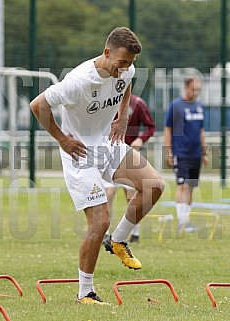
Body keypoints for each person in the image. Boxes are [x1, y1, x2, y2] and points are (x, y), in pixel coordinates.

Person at [30, 27, 165, 305]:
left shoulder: (127, 70)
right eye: (122, 63)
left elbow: (127, 84)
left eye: (130, 63)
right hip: (79, 153)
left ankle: (118, 241)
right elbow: (37, 105)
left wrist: (123, 117)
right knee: (100, 220)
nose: (126, 68)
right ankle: (85, 293)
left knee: (154, 185)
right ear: (106, 53)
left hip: (108, 144)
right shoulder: (77, 81)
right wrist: (62, 140)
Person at [105, 94, 156, 243]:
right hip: (107, 155)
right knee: (108, 195)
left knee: (131, 196)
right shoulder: (106, 100)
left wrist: (140, 139)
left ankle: (134, 233)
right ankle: (105, 233)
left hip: (128, 156)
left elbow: (150, 126)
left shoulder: (137, 103)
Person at [164, 77, 208, 234]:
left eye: (198, 90)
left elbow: (201, 131)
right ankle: (181, 221)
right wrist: (168, 151)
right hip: (181, 152)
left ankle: (186, 221)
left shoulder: (199, 106)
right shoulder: (176, 106)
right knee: (182, 185)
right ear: (186, 88)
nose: (196, 93)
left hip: (196, 154)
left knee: (191, 187)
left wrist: (205, 152)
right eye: (194, 89)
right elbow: (168, 129)